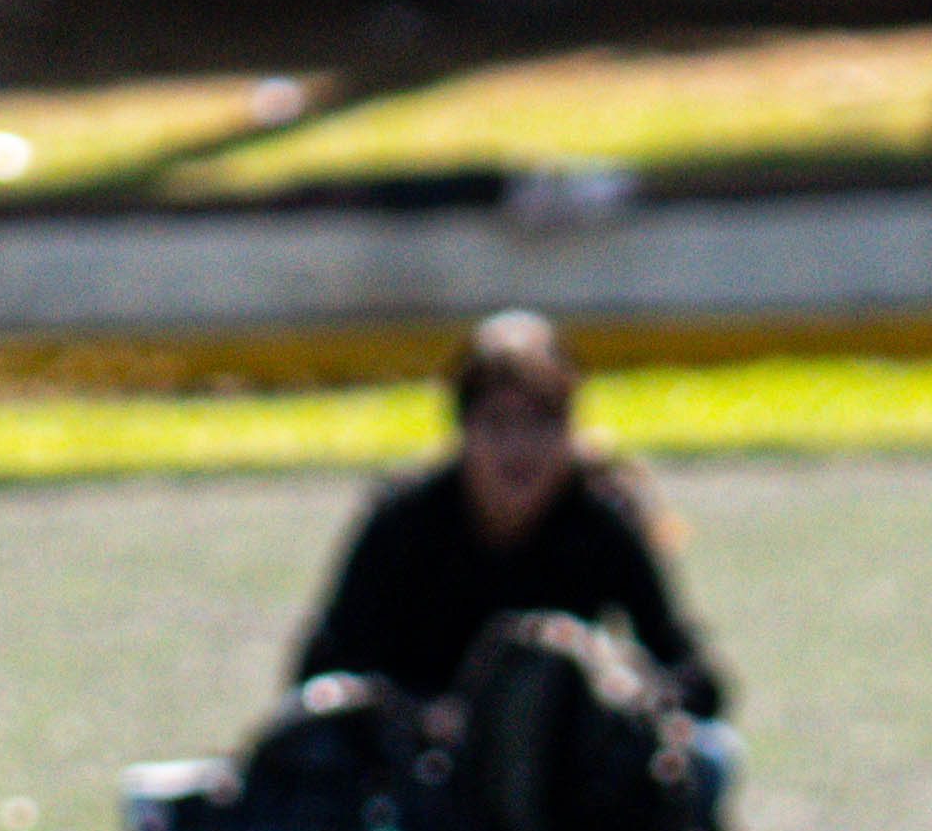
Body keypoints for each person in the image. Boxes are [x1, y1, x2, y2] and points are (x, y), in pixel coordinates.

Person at [292, 308, 730, 729]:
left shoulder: (600, 519)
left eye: (540, 422)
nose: (517, 447)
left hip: (561, 769)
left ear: (570, 432)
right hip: (419, 768)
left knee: (710, 754)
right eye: (496, 423)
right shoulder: (405, 520)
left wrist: (623, 698)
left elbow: (694, 677)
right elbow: (323, 671)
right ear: (461, 430)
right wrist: (414, 716)